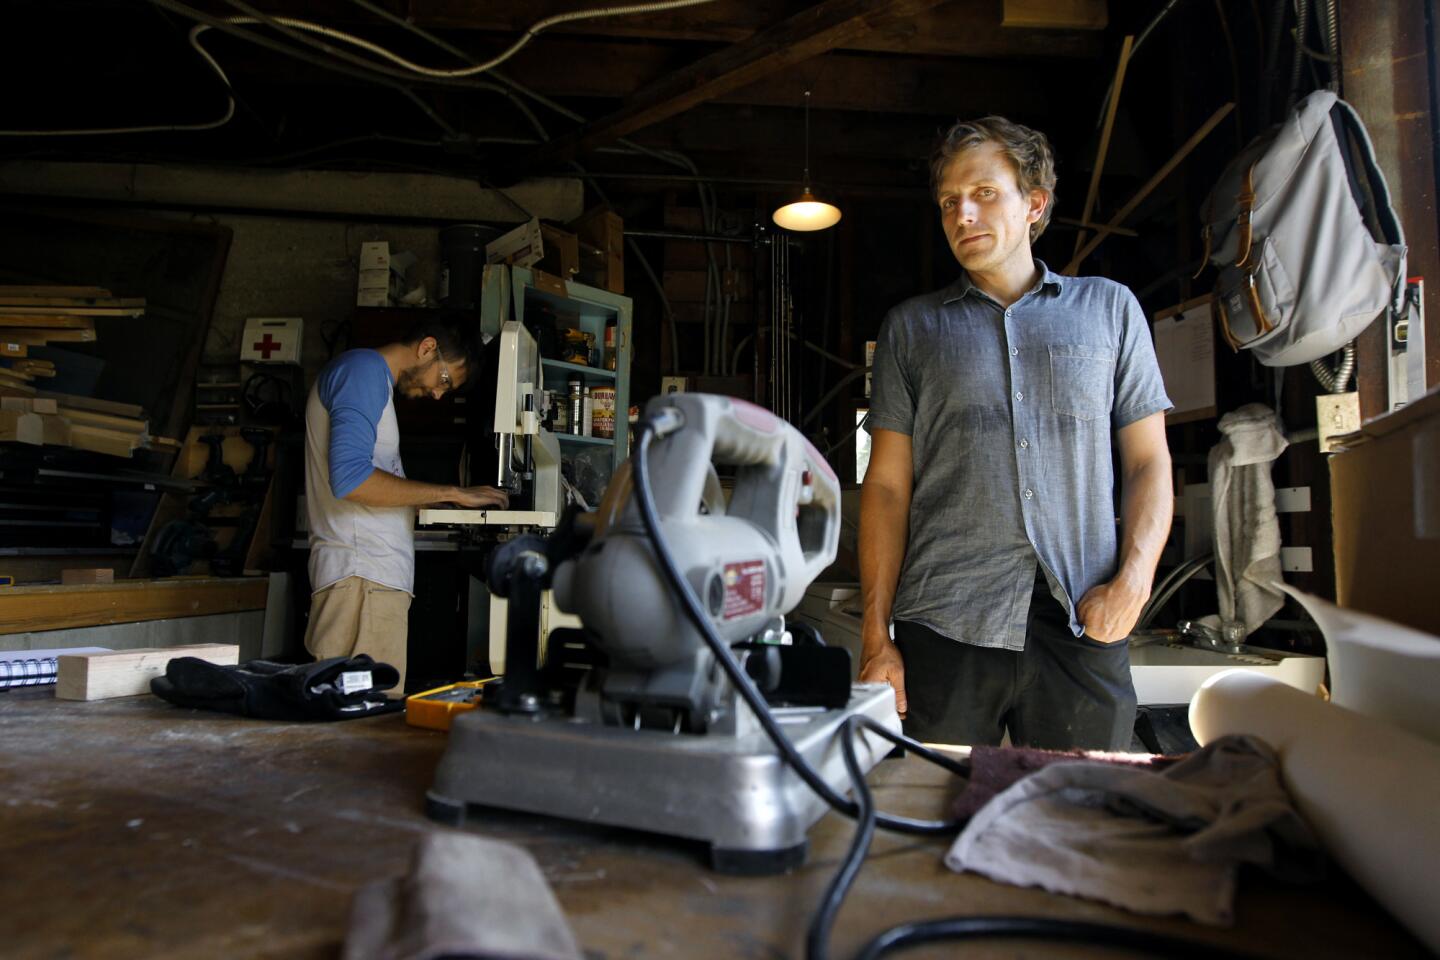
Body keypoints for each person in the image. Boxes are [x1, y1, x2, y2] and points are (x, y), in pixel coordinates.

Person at [859, 116, 1173, 750]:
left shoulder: (1110, 309)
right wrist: (876, 638)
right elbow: (887, 487)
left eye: (983, 193)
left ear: (1034, 204)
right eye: (949, 202)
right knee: (931, 813)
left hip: (1084, 622)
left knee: (1082, 820)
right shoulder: (912, 330)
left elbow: (1148, 464)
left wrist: (1134, 587)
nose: (962, 214)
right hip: (945, 622)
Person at [304, 315, 509, 693]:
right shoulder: (361, 372)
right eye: (444, 379)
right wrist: (452, 492)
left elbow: (373, 482)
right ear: (427, 347)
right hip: (361, 578)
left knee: (364, 725)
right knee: (361, 727)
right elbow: (351, 479)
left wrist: (430, 505)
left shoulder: (372, 381)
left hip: (368, 579)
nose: (437, 394)